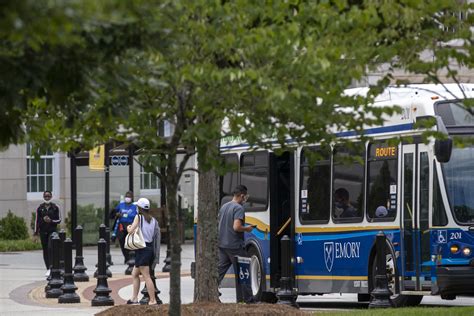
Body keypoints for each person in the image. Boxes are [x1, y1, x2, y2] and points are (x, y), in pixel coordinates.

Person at [217, 185, 256, 303]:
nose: (246, 199)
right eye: (246, 197)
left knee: (219, 271)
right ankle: (247, 300)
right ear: (242, 195)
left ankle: (212, 291)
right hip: (235, 245)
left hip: (223, 244)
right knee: (244, 272)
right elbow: (236, 227)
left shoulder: (224, 206)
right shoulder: (238, 208)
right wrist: (247, 229)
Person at [126, 198, 160, 305]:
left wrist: (129, 227)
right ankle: (134, 298)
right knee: (135, 273)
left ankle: (152, 300)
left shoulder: (138, 217)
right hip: (149, 249)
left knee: (146, 276)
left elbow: (131, 231)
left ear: (139, 208)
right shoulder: (154, 221)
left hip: (142, 249)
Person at [33, 191, 62, 277]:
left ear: (51, 197)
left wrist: (51, 221)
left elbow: (59, 220)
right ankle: (48, 269)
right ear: (43, 197)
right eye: (45, 196)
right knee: (45, 249)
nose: (47, 198)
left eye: (48, 196)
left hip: (52, 231)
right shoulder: (40, 208)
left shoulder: (55, 207)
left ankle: (52, 266)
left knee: (50, 247)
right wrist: (36, 233)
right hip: (43, 231)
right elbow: (36, 221)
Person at [110, 191, 138, 264]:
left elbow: (135, 216)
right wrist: (117, 214)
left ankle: (131, 257)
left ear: (132, 198)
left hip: (130, 225)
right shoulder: (121, 205)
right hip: (121, 225)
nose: (127, 198)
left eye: (129, 197)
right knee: (122, 241)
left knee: (130, 242)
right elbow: (113, 213)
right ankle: (126, 257)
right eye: (126, 196)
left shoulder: (134, 207)